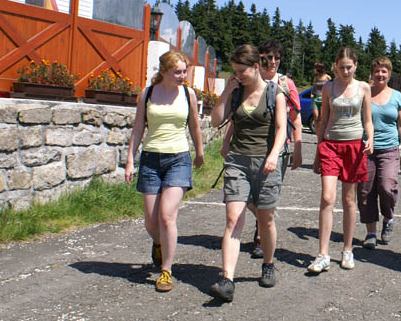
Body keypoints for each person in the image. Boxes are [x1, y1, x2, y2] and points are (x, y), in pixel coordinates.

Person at [208, 44, 287, 300]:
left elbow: (282, 129)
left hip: (266, 163)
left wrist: (274, 155)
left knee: (266, 220)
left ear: (255, 67)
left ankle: (268, 263)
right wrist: (226, 92)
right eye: (235, 71)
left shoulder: (275, 93)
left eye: (241, 71)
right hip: (237, 162)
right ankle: (227, 279)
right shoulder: (236, 92)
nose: (238, 75)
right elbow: (216, 120)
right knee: (233, 219)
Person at [125, 51, 205, 293]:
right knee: (151, 222)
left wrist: (199, 152)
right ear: (164, 72)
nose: (183, 76)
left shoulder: (188, 94)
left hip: (178, 159)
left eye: (185, 71)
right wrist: (130, 160)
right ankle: (159, 243)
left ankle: (166, 271)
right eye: (177, 72)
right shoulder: (147, 93)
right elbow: (138, 127)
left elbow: (194, 124)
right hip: (150, 160)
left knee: (167, 216)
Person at [220, 40, 302, 259]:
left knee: (265, 203)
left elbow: (294, 118)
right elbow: (237, 117)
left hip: (276, 149)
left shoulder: (284, 84)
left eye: (277, 58)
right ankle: (262, 229)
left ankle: (260, 240)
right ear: (260, 60)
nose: (273, 61)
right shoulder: (244, 83)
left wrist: (297, 147)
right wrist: (227, 140)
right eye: (268, 57)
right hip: (244, 152)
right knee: (249, 200)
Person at [309, 47, 374, 273]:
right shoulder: (328, 88)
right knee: (327, 197)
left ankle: (347, 249)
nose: (345, 71)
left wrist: (370, 139)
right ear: (335, 67)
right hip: (331, 145)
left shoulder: (363, 87)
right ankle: (323, 254)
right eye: (341, 67)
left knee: (349, 199)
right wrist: (318, 150)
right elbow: (323, 119)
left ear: (355, 66)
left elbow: (368, 120)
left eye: (349, 67)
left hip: (354, 146)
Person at [358, 57, 401, 249]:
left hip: (389, 149)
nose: (380, 74)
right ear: (372, 73)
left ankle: (388, 218)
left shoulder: (397, 96)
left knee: (386, 186)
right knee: (365, 191)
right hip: (366, 149)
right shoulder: (364, 94)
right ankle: (371, 232)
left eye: (384, 71)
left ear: (389, 74)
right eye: (377, 71)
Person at [311, 62, 331, 134]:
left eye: (315, 68)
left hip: (324, 99)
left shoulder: (327, 77)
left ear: (319, 68)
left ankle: (323, 133)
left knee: (322, 118)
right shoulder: (316, 78)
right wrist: (311, 94)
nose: (314, 69)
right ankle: (318, 134)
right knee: (316, 117)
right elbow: (314, 87)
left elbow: (331, 87)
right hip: (315, 98)